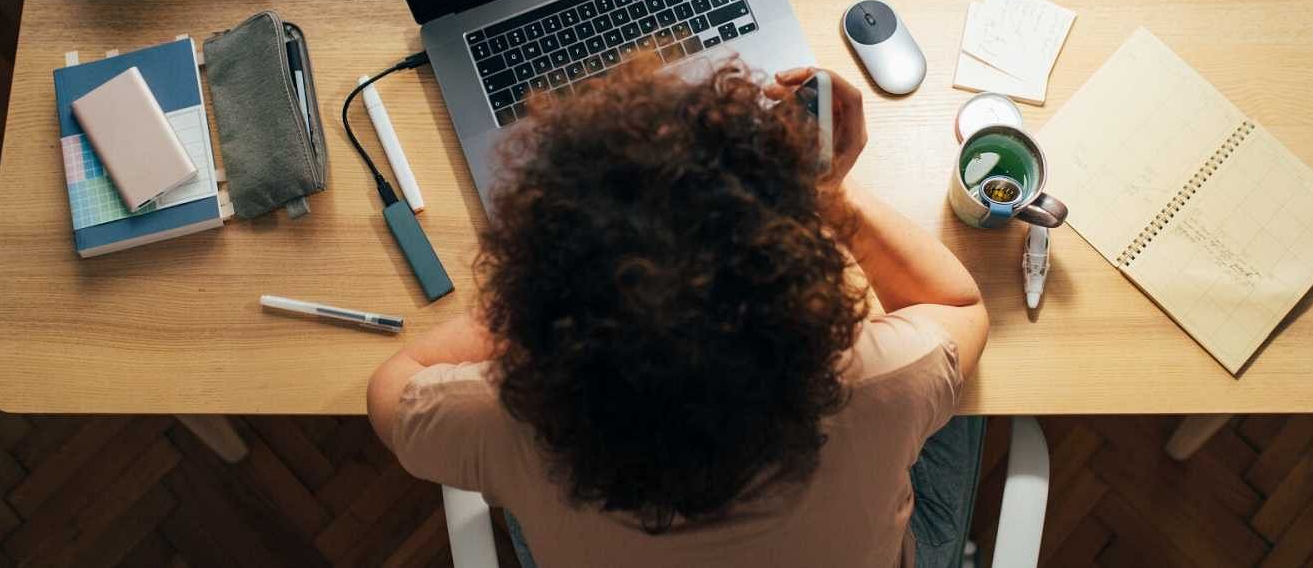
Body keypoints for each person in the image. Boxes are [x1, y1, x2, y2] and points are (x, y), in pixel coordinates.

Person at [368, 58, 991, 568]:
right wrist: (825, 190)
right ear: (796, 290)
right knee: (966, 394)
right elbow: (956, 304)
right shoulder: (880, 383)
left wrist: (536, 297)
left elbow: (392, 387)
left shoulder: (507, 420)